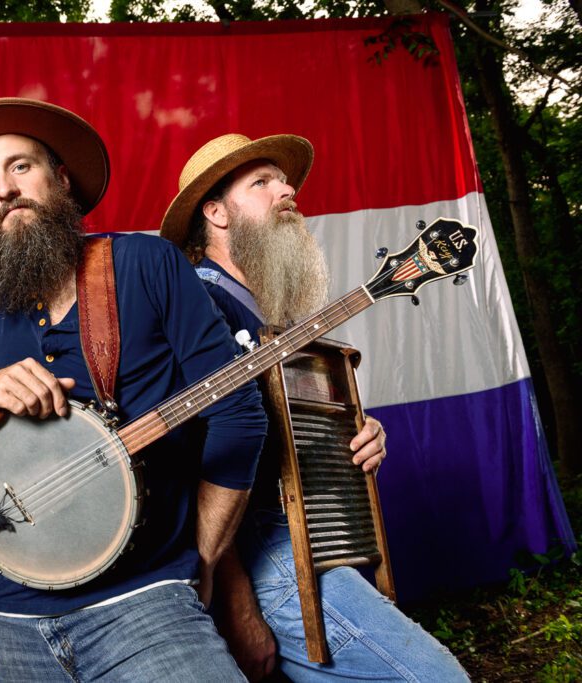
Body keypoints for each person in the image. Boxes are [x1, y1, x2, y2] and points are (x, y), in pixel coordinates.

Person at [0, 98, 267, 681]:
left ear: (61, 180)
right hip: (10, 620)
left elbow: (238, 415)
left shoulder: (145, 263)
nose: (5, 188)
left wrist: (201, 558)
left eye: (20, 166)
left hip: (144, 604)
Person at [160, 133, 469, 681]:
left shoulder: (271, 317)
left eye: (285, 180)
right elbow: (195, 464)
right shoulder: (198, 305)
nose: (287, 190)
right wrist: (237, 603)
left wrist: (360, 432)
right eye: (262, 182)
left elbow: (293, 431)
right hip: (262, 553)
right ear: (216, 213)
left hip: (307, 539)